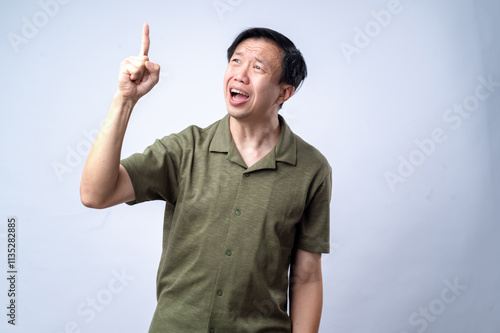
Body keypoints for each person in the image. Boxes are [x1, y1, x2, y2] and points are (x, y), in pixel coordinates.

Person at [80, 23, 332, 333]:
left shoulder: (312, 169)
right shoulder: (185, 150)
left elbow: (307, 276)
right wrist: (125, 100)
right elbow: (95, 194)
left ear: (284, 92)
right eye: (236, 61)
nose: (240, 74)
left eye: (257, 67)